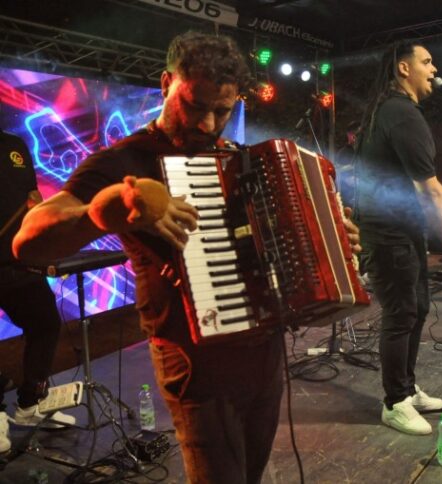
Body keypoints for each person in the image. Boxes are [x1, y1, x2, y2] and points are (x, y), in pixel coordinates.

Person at [13, 31, 360, 483]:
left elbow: (278, 249)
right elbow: (28, 242)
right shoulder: (124, 161)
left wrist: (328, 238)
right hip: (194, 361)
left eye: (223, 110)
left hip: (264, 353)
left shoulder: (236, 159)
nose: (207, 124)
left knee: (250, 474)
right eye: (195, 105)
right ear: (166, 84)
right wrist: (106, 210)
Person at [354, 41, 442, 436]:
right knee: (401, 313)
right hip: (388, 233)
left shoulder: (393, 110)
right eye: (427, 61)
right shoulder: (402, 113)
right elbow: (426, 191)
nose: (434, 68)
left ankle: (406, 386)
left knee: (417, 307)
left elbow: (424, 182)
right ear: (404, 69)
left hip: (398, 228)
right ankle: (394, 403)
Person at [0, 128, 78, 455]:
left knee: (45, 322)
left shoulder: (14, 144)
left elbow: (32, 197)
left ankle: (30, 403)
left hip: (18, 261)